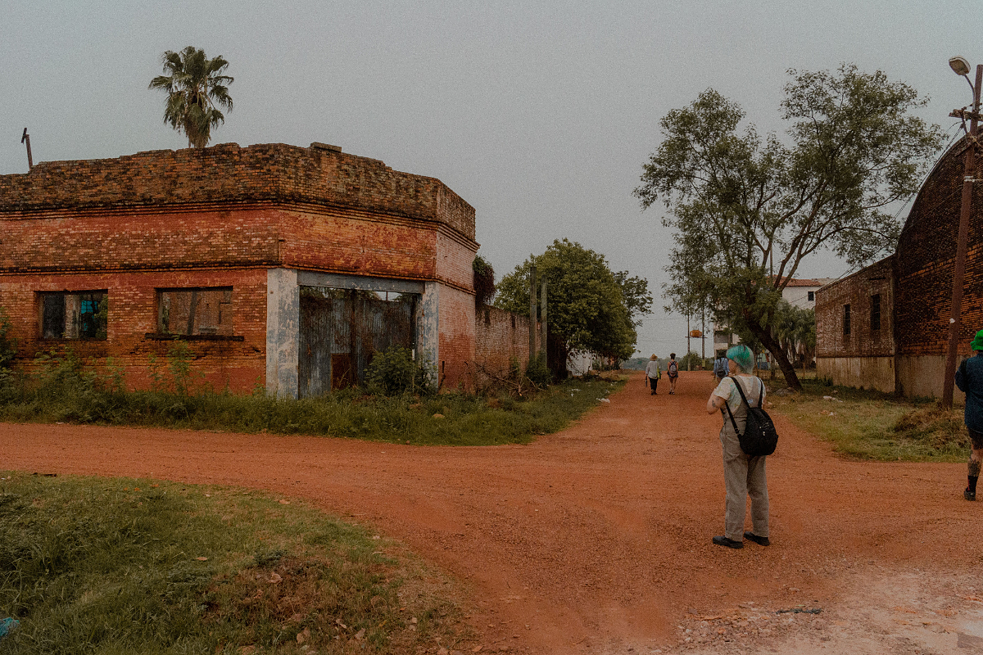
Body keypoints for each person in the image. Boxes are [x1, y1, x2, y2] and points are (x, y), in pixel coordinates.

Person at [706, 344, 769, 549]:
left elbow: (711, 409)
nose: (728, 362)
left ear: (737, 363)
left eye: (730, 359)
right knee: (758, 487)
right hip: (758, 436)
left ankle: (733, 535)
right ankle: (761, 532)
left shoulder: (729, 382)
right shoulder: (760, 383)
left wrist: (717, 391)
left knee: (736, 487)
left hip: (736, 437)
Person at [955, 329, 983, 501]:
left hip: (975, 416)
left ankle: (971, 491)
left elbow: (962, 385)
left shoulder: (967, 364)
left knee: (977, 451)